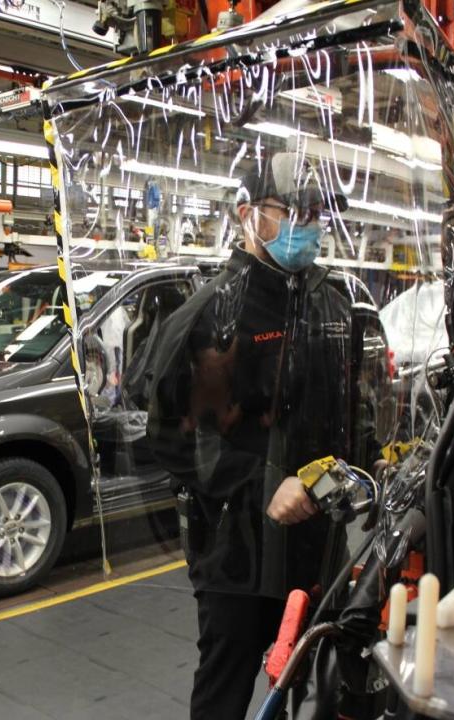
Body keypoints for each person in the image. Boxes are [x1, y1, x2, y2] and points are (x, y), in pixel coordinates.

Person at [145, 151, 374, 719]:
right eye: (292, 210)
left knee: (322, 686)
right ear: (247, 214)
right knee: (225, 689)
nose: (308, 225)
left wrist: (369, 456)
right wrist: (262, 484)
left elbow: (352, 408)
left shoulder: (333, 303)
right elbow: (169, 435)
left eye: (317, 213)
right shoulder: (207, 315)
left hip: (320, 543)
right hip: (236, 555)